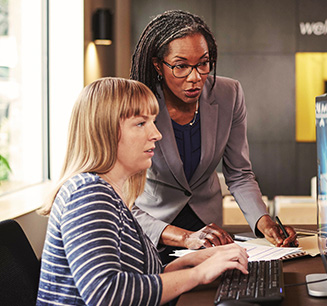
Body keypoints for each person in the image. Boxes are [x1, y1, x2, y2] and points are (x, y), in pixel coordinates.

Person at [36, 78, 249, 305]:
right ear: (104, 131)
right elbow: (106, 294)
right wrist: (198, 274)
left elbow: (132, 276)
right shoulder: (88, 195)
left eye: (154, 122)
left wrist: (187, 263)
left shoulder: (110, 194)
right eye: (141, 123)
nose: (157, 134)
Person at [130, 10, 297, 262]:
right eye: (181, 66)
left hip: (209, 230)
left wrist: (264, 223)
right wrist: (182, 236)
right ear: (158, 65)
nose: (195, 77)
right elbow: (122, 195)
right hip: (153, 229)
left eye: (203, 63)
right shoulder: (136, 103)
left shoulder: (229, 94)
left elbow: (239, 174)